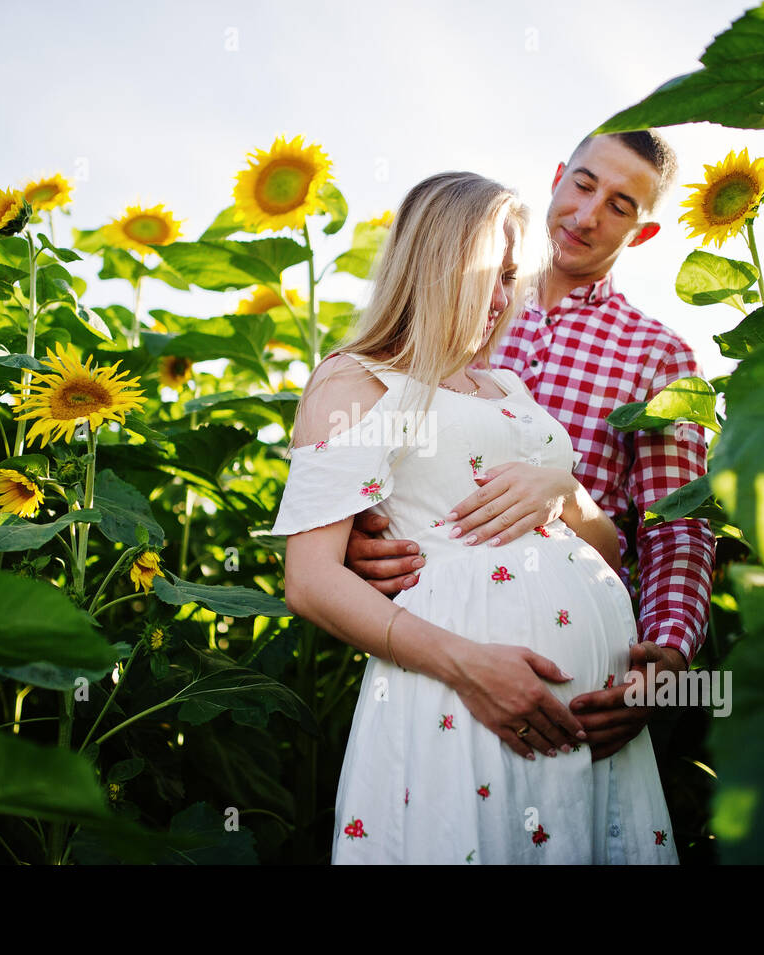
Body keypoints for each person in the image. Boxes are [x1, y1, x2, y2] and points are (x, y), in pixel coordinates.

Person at [270, 171, 679, 864]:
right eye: (490, 274)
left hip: (589, 731)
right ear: (434, 264)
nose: (502, 299)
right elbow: (309, 580)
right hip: (456, 698)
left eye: (512, 278)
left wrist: (566, 492)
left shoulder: (508, 385)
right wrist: (470, 666)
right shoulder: (356, 379)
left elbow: (610, 551)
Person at [344, 132, 716, 762]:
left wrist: (668, 654)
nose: (588, 214)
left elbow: (674, 525)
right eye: (584, 183)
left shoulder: (658, 355)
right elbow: (375, 445)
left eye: (621, 206)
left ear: (642, 234)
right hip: (436, 640)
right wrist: (357, 533)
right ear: (556, 178)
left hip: (575, 668)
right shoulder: (468, 305)